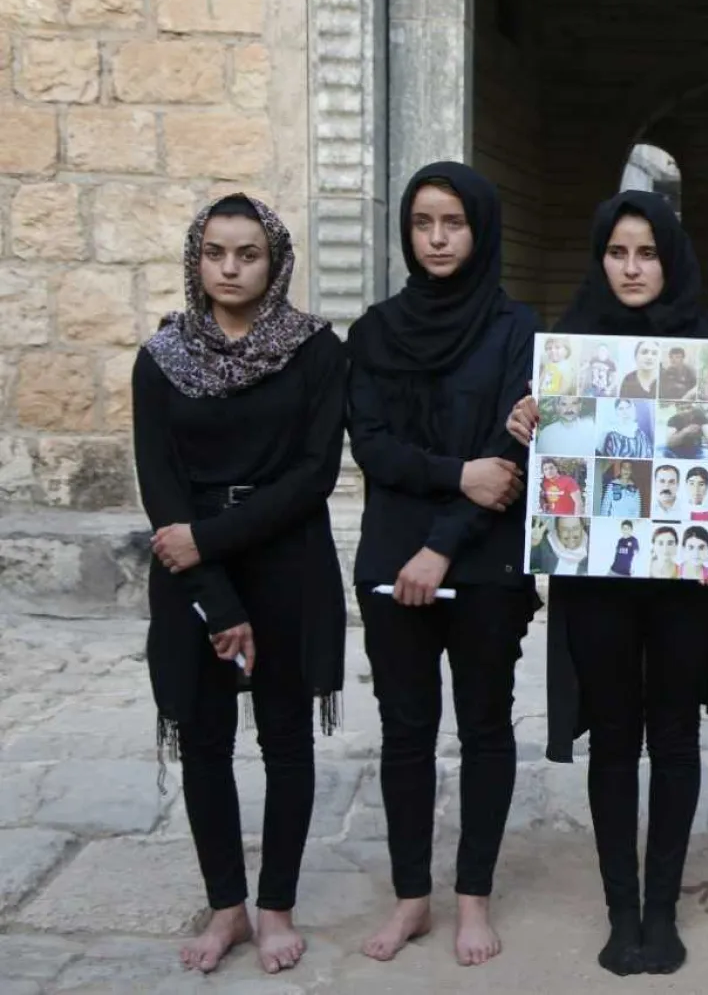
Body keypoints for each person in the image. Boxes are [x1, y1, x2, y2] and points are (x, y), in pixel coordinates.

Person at [505, 190, 708, 977]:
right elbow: (545, 463)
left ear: (671, 258)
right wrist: (526, 424)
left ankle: (662, 912)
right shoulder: (568, 346)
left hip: (683, 577)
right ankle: (620, 913)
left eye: (646, 253)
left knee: (673, 737)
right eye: (617, 252)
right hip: (599, 578)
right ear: (599, 257)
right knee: (613, 737)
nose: (632, 268)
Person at [134, 194, 346, 976]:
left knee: (287, 740)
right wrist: (216, 602)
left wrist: (209, 540)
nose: (230, 268)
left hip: (286, 563)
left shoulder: (316, 351)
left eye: (247, 253)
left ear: (274, 258)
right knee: (206, 744)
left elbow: (313, 475)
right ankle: (226, 906)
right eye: (215, 252)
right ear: (197, 257)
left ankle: (276, 905)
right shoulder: (161, 359)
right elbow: (161, 484)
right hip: (192, 572)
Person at [346, 162, 538, 967]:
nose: (435, 238)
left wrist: (445, 538)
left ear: (480, 228)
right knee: (405, 732)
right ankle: (411, 897)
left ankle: (472, 897)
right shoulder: (373, 331)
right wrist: (454, 479)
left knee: (486, 729)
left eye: (453, 223)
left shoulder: (515, 329)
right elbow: (374, 445)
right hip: (394, 557)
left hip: (486, 561)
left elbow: (512, 452)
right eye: (423, 222)